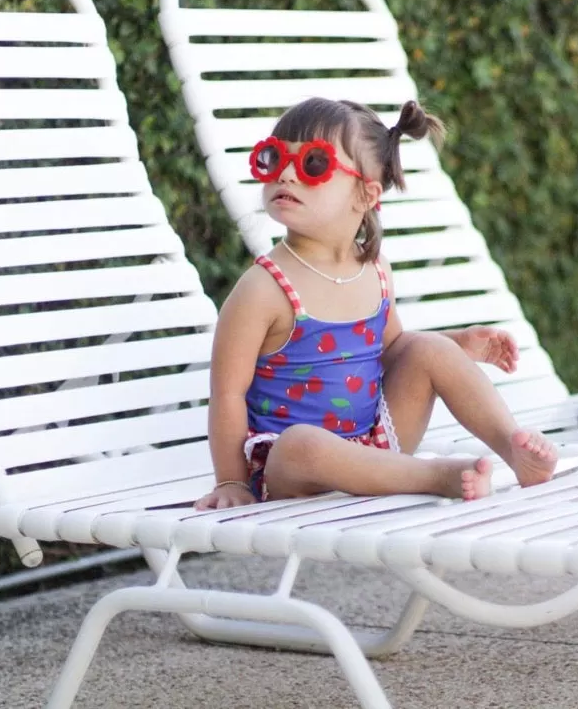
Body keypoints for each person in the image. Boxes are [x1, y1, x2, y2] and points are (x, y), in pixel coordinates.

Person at [194, 97, 557, 510]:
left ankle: (514, 448)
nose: (288, 174)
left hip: (376, 441)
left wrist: (458, 343)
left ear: (365, 196)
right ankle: (436, 476)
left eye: (313, 164)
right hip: (289, 467)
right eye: (274, 159)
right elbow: (227, 394)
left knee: (426, 348)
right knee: (303, 444)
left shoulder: (375, 270)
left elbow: (393, 350)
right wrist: (233, 483)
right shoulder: (262, 288)